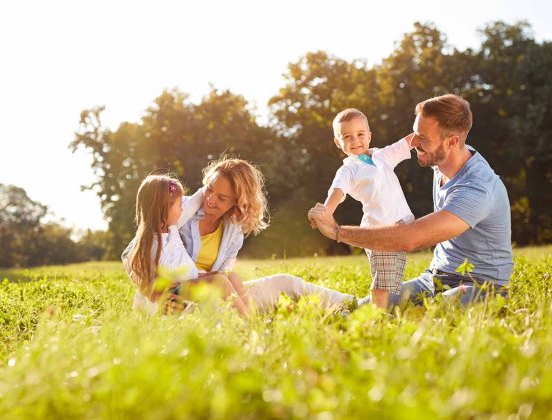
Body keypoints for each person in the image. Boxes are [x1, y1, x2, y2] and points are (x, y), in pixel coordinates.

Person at [308, 94, 513, 307]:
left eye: (423, 139)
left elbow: (409, 239)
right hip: (432, 280)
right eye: (415, 135)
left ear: (451, 141)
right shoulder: (441, 161)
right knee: (366, 310)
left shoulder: (477, 187)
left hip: (480, 286)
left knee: (435, 312)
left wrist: (336, 231)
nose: (415, 144)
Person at [175, 158, 362, 312]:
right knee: (220, 304)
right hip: (178, 299)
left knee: (285, 282)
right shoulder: (178, 210)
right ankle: (250, 327)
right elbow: (149, 251)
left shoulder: (233, 229)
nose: (210, 199)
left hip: (217, 294)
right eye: (209, 189)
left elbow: (224, 276)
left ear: (237, 202)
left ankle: (356, 306)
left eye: (222, 198)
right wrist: (158, 295)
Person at [323, 108, 415, 309]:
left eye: (360, 134)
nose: (355, 140)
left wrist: (428, 132)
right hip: (379, 228)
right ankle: (377, 315)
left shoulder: (381, 156)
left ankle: (381, 310)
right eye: (347, 136)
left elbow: (406, 143)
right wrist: (326, 211)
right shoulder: (349, 169)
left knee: (391, 277)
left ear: (369, 136)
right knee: (382, 280)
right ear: (338, 143)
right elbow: (337, 192)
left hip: (400, 225)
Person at [122, 174, 251, 316]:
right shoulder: (153, 242)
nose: (183, 208)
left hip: (187, 281)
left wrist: (204, 276)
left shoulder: (171, 230)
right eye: (179, 205)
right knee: (220, 281)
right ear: (164, 209)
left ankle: (251, 316)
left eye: (221, 197)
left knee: (231, 277)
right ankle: (249, 322)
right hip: (172, 293)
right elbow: (167, 277)